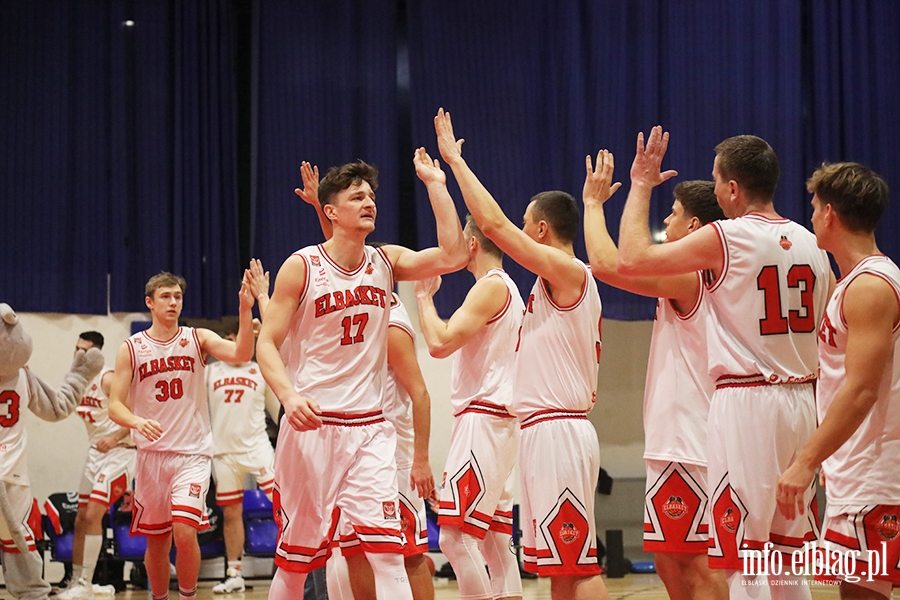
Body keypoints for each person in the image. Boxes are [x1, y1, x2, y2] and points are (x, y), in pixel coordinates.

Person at [616, 128, 834, 598]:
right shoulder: (813, 243)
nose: (714, 190)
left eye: (716, 181)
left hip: (747, 401)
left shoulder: (726, 236)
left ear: (732, 189)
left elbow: (631, 259)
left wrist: (639, 185)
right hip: (802, 401)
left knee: (743, 558)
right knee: (787, 558)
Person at [257, 149, 466, 599]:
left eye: (371, 195)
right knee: (297, 560)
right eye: (357, 197)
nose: (369, 202)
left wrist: (436, 184)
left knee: (389, 552)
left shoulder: (385, 262)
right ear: (331, 211)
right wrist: (289, 397)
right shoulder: (302, 266)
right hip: (313, 426)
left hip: (370, 429)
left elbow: (453, 254)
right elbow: (265, 343)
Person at [433, 108, 608, 600]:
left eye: (526, 223)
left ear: (542, 229)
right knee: (558, 566)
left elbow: (491, 222)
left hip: (558, 429)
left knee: (575, 563)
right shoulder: (549, 281)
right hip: (539, 428)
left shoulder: (567, 271)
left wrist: (454, 162)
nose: (520, 230)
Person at [582, 153, 728, 600]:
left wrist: (593, 205)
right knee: (670, 560)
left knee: (696, 563)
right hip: (680, 439)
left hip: (692, 439)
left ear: (695, 227)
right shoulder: (700, 274)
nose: (666, 220)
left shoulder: (692, 275)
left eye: (675, 214)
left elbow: (612, 264)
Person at [296, 162, 437, 600]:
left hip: (388, 448)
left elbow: (419, 392)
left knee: (408, 554)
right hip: (354, 444)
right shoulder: (352, 290)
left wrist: (420, 459)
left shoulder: (390, 315)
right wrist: (324, 210)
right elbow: (341, 256)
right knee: (355, 552)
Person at [776, 163, 899, 598]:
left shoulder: (871, 286)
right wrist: (829, 453)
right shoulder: (855, 282)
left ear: (830, 213)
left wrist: (806, 459)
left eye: (813, 207)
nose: (810, 216)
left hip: (878, 473)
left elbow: (862, 389)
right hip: (858, 467)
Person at [108, 272, 255, 600]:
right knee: (157, 544)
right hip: (152, 458)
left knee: (185, 532)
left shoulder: (197, 338)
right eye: (165, 297)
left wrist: (245, 309)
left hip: (191, 454)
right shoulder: (131, 348)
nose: (173, 302)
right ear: (150, 302)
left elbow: (242, 353)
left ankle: (188, 596)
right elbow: (115, 406)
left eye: (177, 296)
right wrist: (136, 421)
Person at [414, 214, 524, 600]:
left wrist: (424, 299)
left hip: (485, 420)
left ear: (473, 243)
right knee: (496, 541)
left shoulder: (490, 287)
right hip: (501, 423)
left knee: (455, 538)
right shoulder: (509, 289)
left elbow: (440, 343)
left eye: (462, 240)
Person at [207, 260, 281, 595]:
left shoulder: (259, 370)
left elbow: (279, 413)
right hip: (222, 452)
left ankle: (292, 561)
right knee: (231, 513)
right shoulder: (209, 373)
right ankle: (234, 572)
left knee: (284, 503)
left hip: (257, 447)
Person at [58, 332, 136, 600]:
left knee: (93, 516)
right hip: (95, 453)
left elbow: (136, 414)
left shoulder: (108, 378)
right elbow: (56, 404)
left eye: (85, 351)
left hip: (121, 452)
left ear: (97, 355)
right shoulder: (76, 381)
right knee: (81, 519)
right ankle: (77, 580)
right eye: (76, 349)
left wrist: (114, 437)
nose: (79, 354)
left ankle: (86, 583)